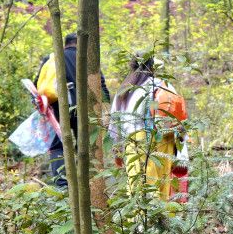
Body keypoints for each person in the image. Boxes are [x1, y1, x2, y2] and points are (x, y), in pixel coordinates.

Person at [36, 33, 109, 188]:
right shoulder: (87, 59)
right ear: (79, 44)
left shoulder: (52, 58)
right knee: (84, 143)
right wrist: (106, 107)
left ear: (65, 44)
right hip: (83, 108)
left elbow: (38, 85)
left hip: (56, 108)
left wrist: (41, 109)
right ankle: (86, 182)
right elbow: (101, 84)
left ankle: (62, 184)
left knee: (57, 145)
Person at [109, 54, 185, 200]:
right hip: (164, 139)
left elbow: (115, 124)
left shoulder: (125, 90)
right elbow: (173, 116)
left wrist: (117, 151)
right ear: (152, 67)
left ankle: (140, 221)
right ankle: (163, 220)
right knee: (162, 185)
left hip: (135, 142)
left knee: (139, 187)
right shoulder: (162, 85)